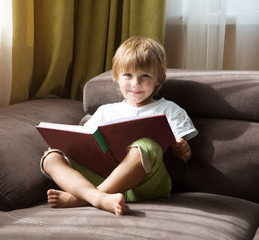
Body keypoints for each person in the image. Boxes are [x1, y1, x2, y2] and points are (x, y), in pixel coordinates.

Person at [40, 36, 198, 216]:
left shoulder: (170, 110)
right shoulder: (105, 111)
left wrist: (183, 149)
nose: (135, 83)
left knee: (147, 144)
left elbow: (182, 153)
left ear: (158, 79)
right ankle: (98, 197)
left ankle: (84, 198)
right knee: (51, 156)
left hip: (147, 184)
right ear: (116, 77)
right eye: (128, 75)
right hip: (106, 177)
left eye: (144, 76)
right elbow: (84, 143)